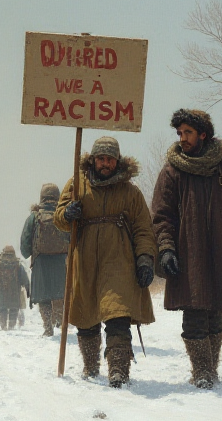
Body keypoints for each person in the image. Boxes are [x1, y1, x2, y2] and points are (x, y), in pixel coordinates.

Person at [152, 109, 222, 389]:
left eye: (188, 132)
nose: (182, 138)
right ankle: (202, 372)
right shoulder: (172, 170)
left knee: (216, 314)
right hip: (190, 254)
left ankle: (211, 369)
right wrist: (166, 249)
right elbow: (161, 217)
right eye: (179, 133)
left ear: (203, 134)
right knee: (194, 314)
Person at [54, 136, 156, 388]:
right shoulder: (77, 184)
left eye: (110, 159)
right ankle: (90, 366)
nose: (106, 163)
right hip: (86, 260)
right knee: (86, 316)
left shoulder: (130, 192)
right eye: (101, 158)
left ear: (117, 161)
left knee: (118, 314)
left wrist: (145, 258)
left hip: (119, 262)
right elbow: (59, 217)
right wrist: (68, 213)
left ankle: (119, 370)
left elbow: (143, 228)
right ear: (93, 159)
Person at [20, 183, 69, 337]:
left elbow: (25, 246)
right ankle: (60, 324)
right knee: (59, 295)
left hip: (40, 262)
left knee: (44, 297)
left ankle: (48, 327)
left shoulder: (34, 217)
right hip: (61, 261)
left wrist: (30, 253)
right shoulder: (64, 216)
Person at [0, 246, 29, 330]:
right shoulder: (18, 264)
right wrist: (28, 290)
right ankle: (11, 327)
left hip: (1, 293)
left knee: (2, 310)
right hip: (14, 293)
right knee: (14, 310)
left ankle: (3, 327)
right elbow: (25, 279)